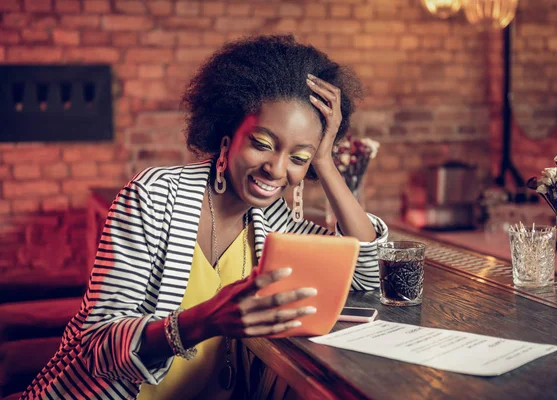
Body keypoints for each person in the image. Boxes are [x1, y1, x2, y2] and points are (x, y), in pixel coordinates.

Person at [21, 35, 388, 400]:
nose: (276, 170)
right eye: (261, 144)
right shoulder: (154, 196)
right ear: (227, 139)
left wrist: (324, 159)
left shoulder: (275, 220)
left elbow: (367, 273)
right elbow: (95, 348)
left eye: (297, 157)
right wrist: (205, 320)